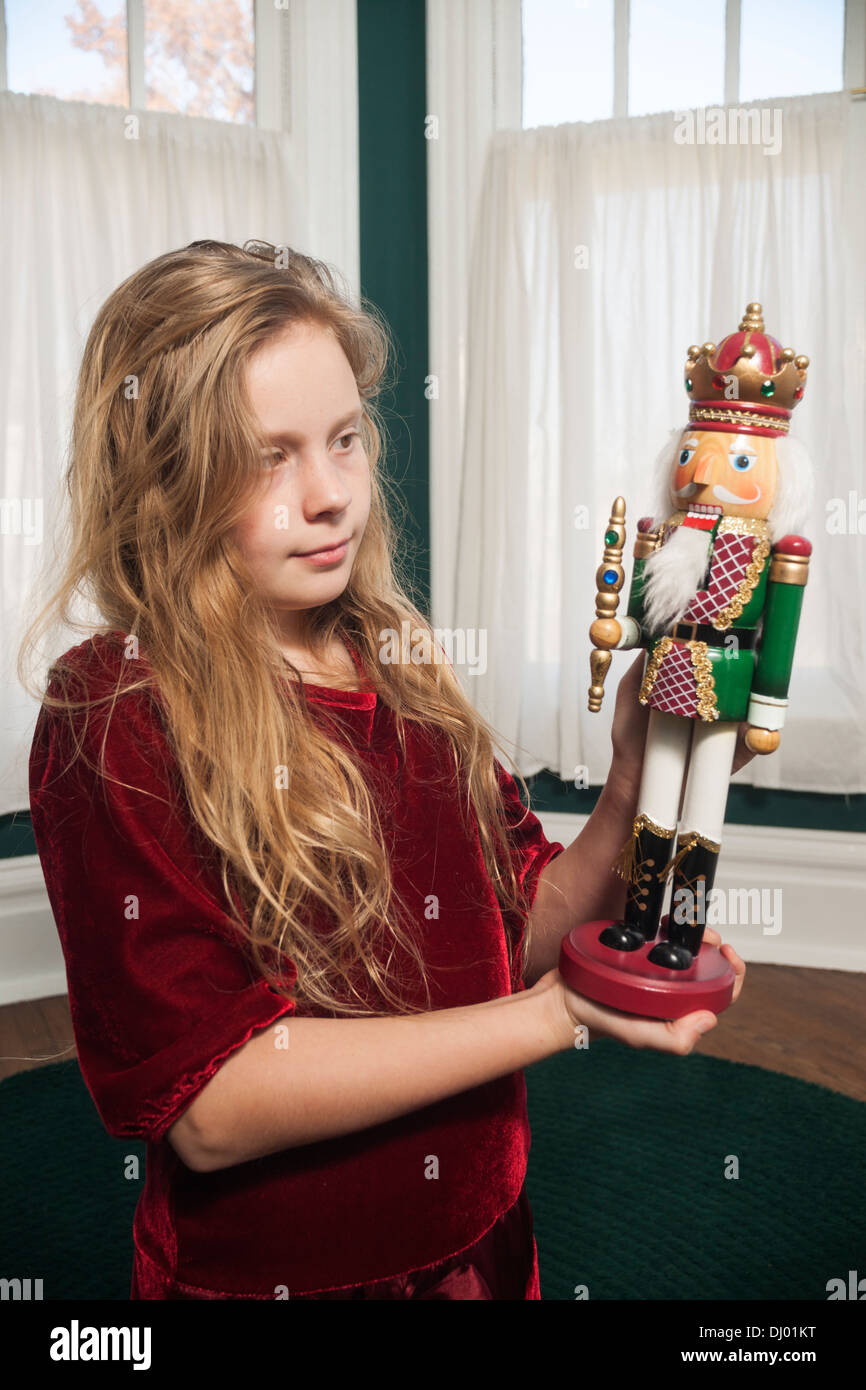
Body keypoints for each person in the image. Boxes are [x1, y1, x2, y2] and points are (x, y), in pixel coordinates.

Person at [21, 239, 747, 1301]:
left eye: (344, 439)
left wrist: (629, 788)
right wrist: (556, 1016)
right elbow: (212, 1107)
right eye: (265, 456)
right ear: (163, 477)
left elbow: (510, 929)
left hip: (483, 1245)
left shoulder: (395, 662)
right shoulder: (119, 711)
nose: (327, 495)